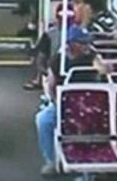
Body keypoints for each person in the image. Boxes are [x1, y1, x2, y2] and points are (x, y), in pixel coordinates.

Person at [34, 26, 107, 177]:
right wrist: (58, 104)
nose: (87, 46)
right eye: (83, 43)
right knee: (43, 120)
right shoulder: (58, 60)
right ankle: (52, 161)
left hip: (91, 104)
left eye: (87, 43)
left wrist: (102, 68)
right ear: (72, 44)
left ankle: (90, 169)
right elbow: (51, 84)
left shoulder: (92, 56)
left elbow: (102, 67)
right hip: (65, 103)